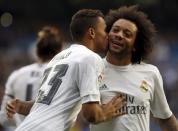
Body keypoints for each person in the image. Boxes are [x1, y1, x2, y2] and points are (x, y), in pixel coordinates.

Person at [6, 9, 126, 131]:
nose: (108, 35)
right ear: (92, 32)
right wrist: (106, 111)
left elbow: (46, 105)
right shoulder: (91, 58)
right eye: (105, 30)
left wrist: (21, 106)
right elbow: (91, 114)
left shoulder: (58, 58)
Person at [91, 5, 178, 131]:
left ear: (135, 45)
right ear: (107, 35)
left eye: (127, 34)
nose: (119, 35)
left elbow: (165, 119)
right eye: (115, 30)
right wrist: (100, 114)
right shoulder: (92, 69)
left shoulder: (151, 73)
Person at [0, 26, 63, 130]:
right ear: (60, 51)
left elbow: (4, 117)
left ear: (37, 51)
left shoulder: (17, 74)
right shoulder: (61, 75)